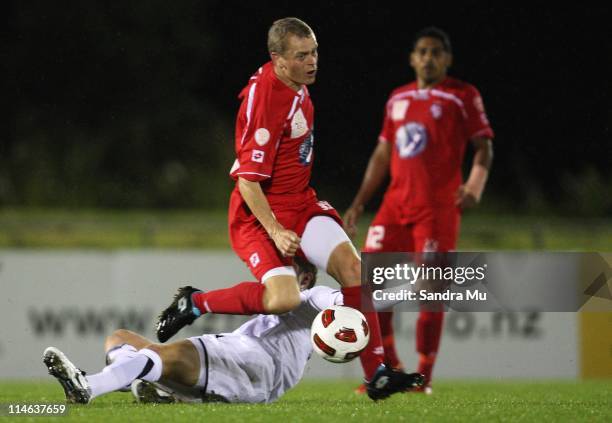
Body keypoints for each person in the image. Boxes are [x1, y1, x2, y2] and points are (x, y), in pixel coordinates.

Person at [154, 17, 414, 401]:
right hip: (257, 215)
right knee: (284, 299)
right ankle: (194, 303)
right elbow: (248, 180)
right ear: (277, 58)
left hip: (301, 204)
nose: (312, 62)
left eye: (314, 53)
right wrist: (276, 230)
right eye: (301, 56)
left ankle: (376, 373)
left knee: (355, 269)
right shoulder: (267, 100)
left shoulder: (296, 85)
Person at [343, 27, 494, 394]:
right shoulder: (397, 98)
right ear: (412, 58)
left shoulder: (462, 95)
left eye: (436, 52)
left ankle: (423, 376)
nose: (429, 58)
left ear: (447, 59)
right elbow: (382, 153)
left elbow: (484, 147)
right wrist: (360, 201)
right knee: (372, 286)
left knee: (430, 292)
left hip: (437, 209)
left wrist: (474, 186)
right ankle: (389, 366)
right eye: (422, 52)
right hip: (395, 205)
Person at [43, 259, 424, 404]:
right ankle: (148, 387)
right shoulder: (284, 298)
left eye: (285, 266)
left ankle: (89, 387)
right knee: (121, 338)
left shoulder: (314, 294)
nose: (273, 272)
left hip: (258, 361)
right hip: (253, 366)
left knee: (158, 357)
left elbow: (344, 302)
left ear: (304, 276)